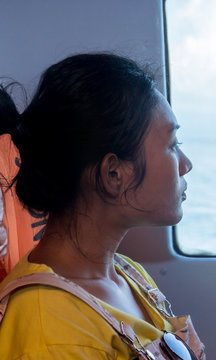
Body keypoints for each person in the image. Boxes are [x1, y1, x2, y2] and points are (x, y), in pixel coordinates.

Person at [0, 53, 205, 359]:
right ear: (114, 174)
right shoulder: (49, 328)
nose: (185, 165)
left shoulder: (128, 274)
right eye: (172, 145)